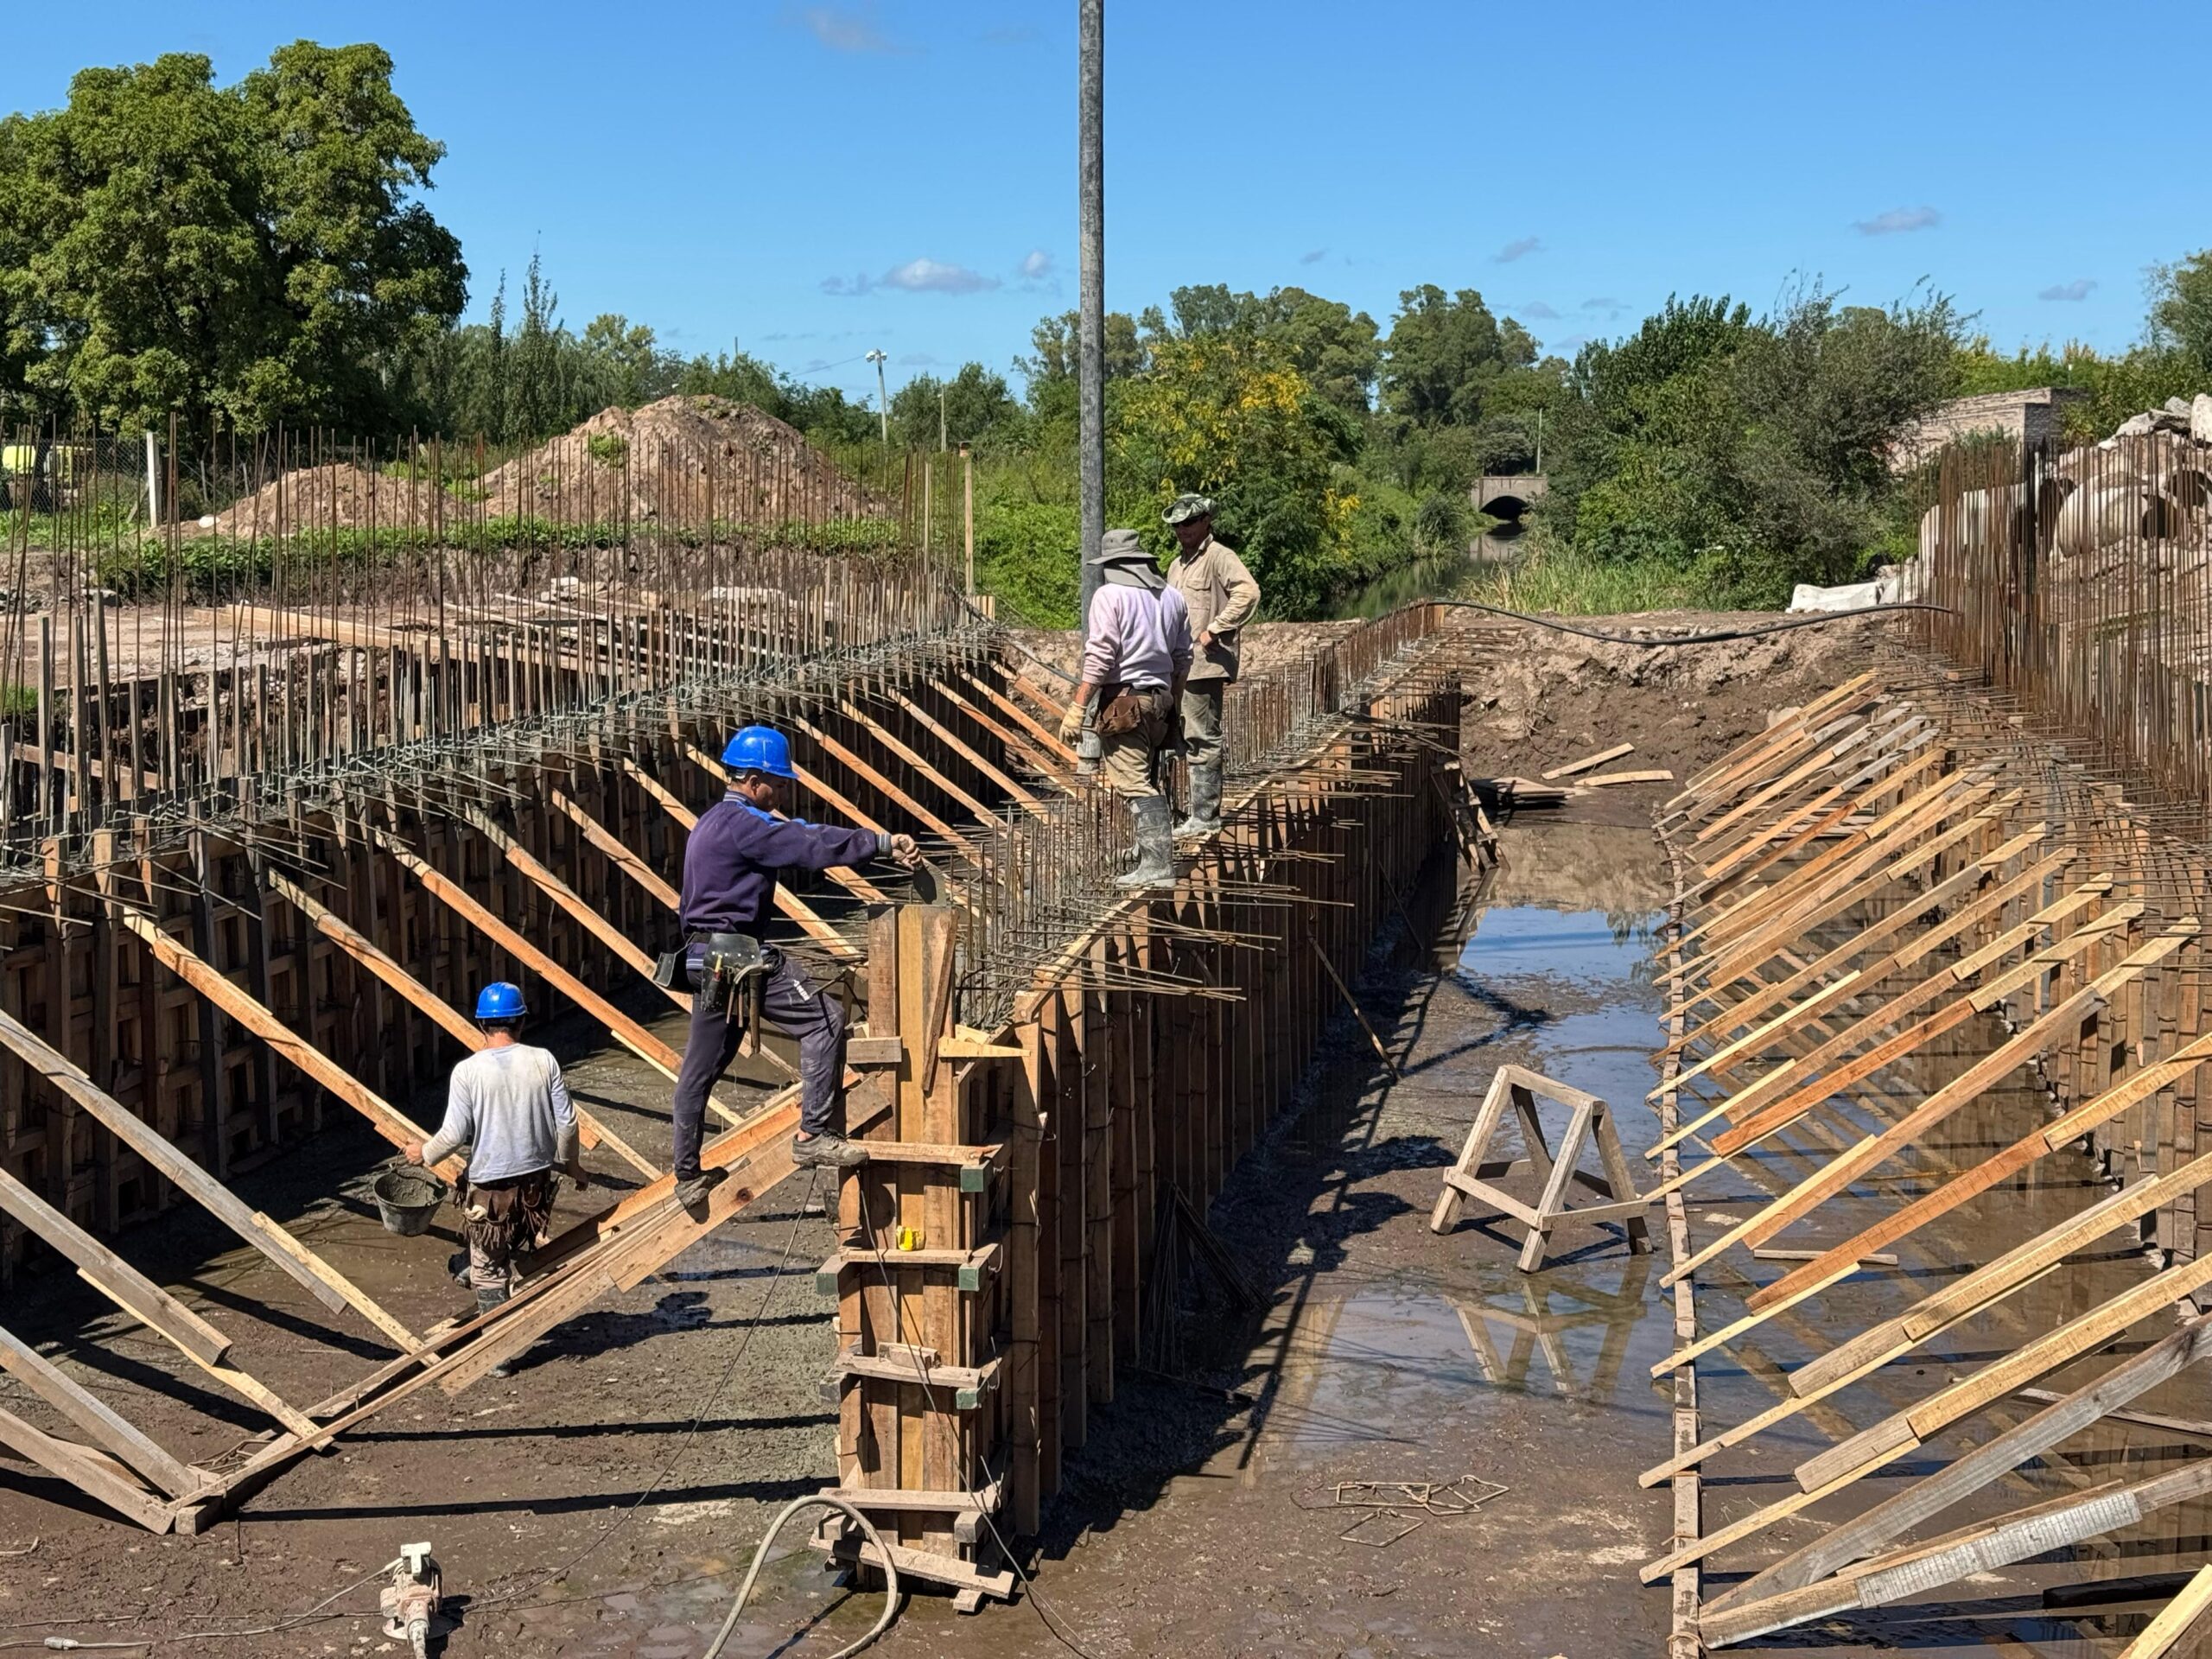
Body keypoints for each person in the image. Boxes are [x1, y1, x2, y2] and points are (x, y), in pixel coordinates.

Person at [671, 724, 922, 1213]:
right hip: (734, 956)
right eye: (778, 783)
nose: (783, 792)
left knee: (701, 1068)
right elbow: (808, 842)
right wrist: (881, 843)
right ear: (754, 780)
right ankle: (814, 1134)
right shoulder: (744, 825)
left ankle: (686, 1175)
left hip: (703, 957)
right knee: (825, 1020)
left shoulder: (710, 822)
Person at [404, 982, 584, 1355]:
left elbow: (454, 1134)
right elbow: (567, 1123)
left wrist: (424, 1153)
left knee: (488, 1267)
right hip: (535, 1185)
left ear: (482, 1024)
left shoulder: (468, 1071)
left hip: (490, 1188)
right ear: (521, 1021)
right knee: (507, 1243)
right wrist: (572, 1166)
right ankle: (475, 1266)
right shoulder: (543, 1060)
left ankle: (497, 1353)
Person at [1059, 528, 1193, 889]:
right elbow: (1183, 659)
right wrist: (1174, 706)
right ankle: (1147, 851)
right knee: (1148, 777)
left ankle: (1157, 865)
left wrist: (1078, 706)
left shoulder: (1110, 595)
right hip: (1161, 700)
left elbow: (1100, 656)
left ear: (1113, 564)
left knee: (1135, 784)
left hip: (1124, 704)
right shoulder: (1173, 597)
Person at [1161, 493, 1261, 838]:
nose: (1182, 530)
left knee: (1202, 737)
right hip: (1178, 666)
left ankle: (1205, 816)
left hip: (1204, 665)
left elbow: (1248, 593)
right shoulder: (1176, 565)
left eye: (1189, 522)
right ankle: (1190, 812)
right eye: (1177, 525)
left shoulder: (1219, 556)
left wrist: (1215, 629)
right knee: (1180, 737)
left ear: (1206, 521)